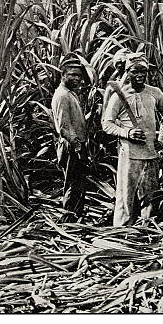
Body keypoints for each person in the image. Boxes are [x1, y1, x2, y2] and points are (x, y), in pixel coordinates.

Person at [102, 52, 163, 226]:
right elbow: (107, 124)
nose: (140, 75)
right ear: (128, 72)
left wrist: (161, 138)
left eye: (143, 71)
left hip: (151, 155)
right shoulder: (120, 95)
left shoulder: (155, 93)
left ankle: (146, 231)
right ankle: (121, 233)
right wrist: (127, 133)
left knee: (150, 196)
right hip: (130, 155)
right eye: (135, 71)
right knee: (126, 197)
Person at [51, 54, 89, 223]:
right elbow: (64, 128)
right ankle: (69, 220)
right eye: (72, 75)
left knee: (78, 182)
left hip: (76, 144)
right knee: (73, 183)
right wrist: (77, 145)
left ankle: (75, 217)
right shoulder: (62, 95)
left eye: (79, 76)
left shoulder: (69, 93)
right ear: (63, 75)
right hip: (71, 146)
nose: (76, 79)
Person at [102, 47, 131, 116]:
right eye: (118, 62)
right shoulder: (112, 86)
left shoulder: (136, 84)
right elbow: (106, 108)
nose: (120, 65)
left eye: (123, 62)